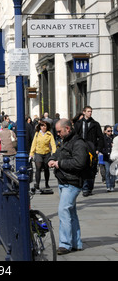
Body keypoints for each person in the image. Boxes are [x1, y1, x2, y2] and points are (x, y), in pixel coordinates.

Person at [48, 119, 89, 255]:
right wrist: (51, 160)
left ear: (68, 129)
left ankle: (65, 244)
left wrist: (60, 164)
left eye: (59, 131)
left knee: (63, 211)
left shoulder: (78, 143)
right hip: (64, 181)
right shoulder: (65, 141)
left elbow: (79, 163)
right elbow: (57, 154)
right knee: (71, 213)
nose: (58, 134)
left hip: (72, 182)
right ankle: (76, 243)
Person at [74, 106, 104, 196]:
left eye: (91, 111)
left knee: (92, 169)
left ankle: (89, 187)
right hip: (81, 149)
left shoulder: (95, 124)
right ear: (84, 112)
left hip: (92, 149)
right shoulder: (78, 123)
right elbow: (75, 136)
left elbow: (101, 138)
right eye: (88, 111)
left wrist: (98, 149)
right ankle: (85, 188)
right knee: (83, 168)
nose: (90, 113)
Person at [29, 119, 56, 191]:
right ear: (40, 127)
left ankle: (47, 183)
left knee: (46, 169)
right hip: (38, 153)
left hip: (47, 153)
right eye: (42, 126)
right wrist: (31, 154)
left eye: (45, 126)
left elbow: (53, 144)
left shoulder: (49, 134)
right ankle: (37, 184)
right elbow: (33, 144)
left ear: (47, 127)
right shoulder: (37, 134)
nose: (43, 127)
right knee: (38, 168)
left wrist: (54, 154)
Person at [101, 126, 115, 192]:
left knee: (112, 172)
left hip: (113, 157)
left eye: (111, 131)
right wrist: (106, 152)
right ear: (105, 131)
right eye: (108, 131)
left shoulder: (114, 138)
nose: (110, 132)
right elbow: (101, 148)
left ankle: (112, 185)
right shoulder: (103, 138)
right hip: (106, 157)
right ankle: (108, 186)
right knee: (107, 171)